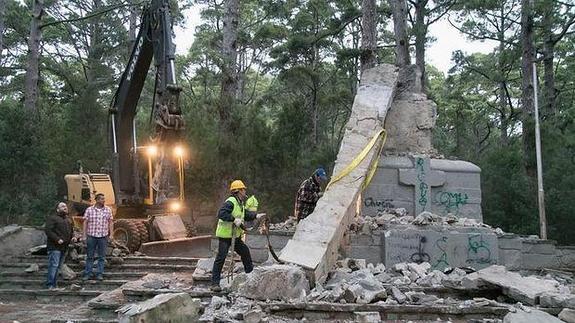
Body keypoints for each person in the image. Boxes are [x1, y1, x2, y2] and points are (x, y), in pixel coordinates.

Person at [211, 180, 264, 291]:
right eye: (243, 189)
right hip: (226, 236)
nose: (245, 191)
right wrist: (234, 220)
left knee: (245, 252)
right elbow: (221, 213)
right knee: (221, 258)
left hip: (235, 236)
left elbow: (245, 214)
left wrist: (256, 216)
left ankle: (250, 276)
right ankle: (215, 284)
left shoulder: (239, 203)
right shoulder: (231, 201)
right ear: (238, 191)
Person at [82, 193, 113, 281]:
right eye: (102, 199)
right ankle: (88, 273)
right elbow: (85, 222)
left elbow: (110, 222)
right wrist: (84, 235)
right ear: (97, 200)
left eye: (104, 199)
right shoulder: (89, 210)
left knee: (102, 256)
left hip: (103, 236)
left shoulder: (108, 210)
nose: (104, 200)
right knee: (90, 256)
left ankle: (100, 274)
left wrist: (111, 234)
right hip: (91, 235)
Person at [45, 202, 75, 289]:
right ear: (57, 209)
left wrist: (73, 237)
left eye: (65, 206)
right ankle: (50, 284)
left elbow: (71, 231)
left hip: (64, 247)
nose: (65, 207)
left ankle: (55, 284)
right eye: (62, 206)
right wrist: (57, 239)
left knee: (58, 266)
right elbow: (48, 231)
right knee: (54, 265)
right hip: (54, 247)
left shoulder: (68, 220)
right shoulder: (52, 218)